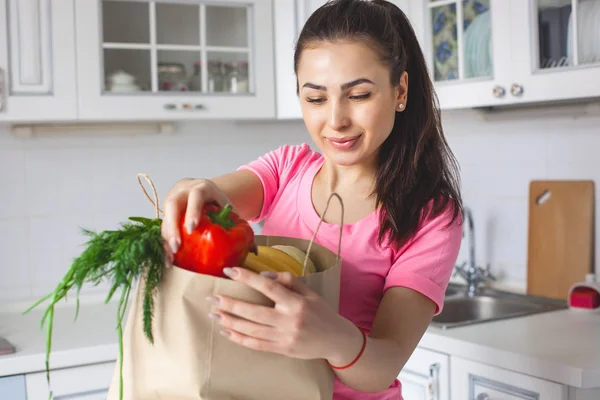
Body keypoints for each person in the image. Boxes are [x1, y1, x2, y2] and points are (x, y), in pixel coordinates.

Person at [161, 0, 463, 398]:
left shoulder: (430, 216)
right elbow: (214, 197)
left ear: (400, 90)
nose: (336, 119)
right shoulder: (285, 169)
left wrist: (331, 337)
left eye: (359, 95)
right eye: (316, 99)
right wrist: (190, 189)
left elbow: (382, 367)